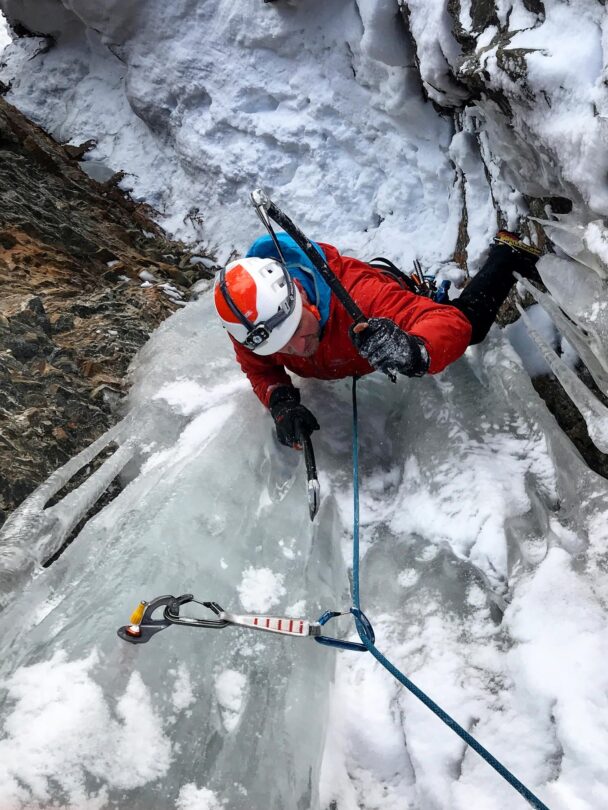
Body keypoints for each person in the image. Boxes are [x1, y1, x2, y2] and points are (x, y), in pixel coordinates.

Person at [214, 230, 541, 448]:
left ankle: (509, 254)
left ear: (300, 294)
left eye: (297, 329)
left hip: (384, 296)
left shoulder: (360, 299)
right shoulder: (254, 326)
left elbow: (448, 323)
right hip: (346, 352)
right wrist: (281, 402)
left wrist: (413, 350)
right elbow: (260, 369)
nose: (298, 349)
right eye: (283, 346)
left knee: (472, 325)